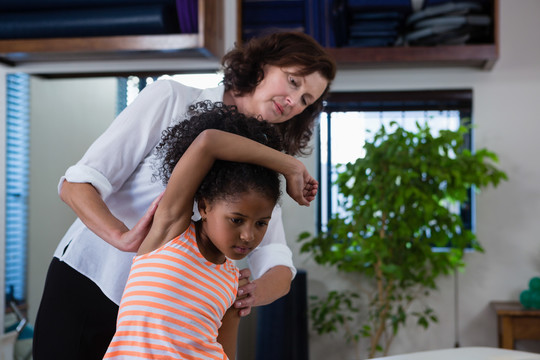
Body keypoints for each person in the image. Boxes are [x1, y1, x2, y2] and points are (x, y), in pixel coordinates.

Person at [33, 31, 336, 360]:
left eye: (306, 99)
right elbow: (77, 183)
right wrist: (120, 236)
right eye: (293, 81)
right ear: (262, 65)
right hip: (92, 281)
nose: (294, 100)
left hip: (167, 319)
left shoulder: (265, 162)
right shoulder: (172, 99)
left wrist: (252, 293)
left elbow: (278, 262)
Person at [104, 101, 317, 360]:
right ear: (204, 206)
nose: (249, 236)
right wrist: (289, 166)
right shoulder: (170, 233)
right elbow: (208, 143)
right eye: (236, 220)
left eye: (261, 223)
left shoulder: (233, 283)